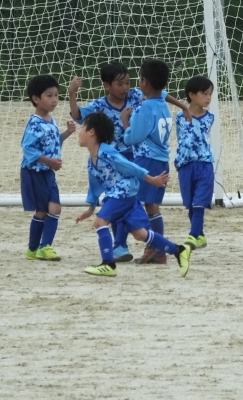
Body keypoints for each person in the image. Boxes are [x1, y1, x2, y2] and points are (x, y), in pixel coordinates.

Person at [68, 62, 190, 263]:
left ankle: (135, 245)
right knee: (123, 201)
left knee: (125, 202)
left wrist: (183, 106)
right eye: (120, 84)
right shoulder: (99, 105)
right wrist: (72, 94)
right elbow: (79, 116)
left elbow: (161, 93)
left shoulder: (137, 95)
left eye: (128, 82)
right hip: (114, 161)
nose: (125, 87)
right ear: (107, 86)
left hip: (136, 157)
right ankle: (126, 246)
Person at [75, 112, 191, 277]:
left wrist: (151, 179)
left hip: (122, 193)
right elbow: (94, 186)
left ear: (91, 132)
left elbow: (131, 167)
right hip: (125, 196)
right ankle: (178, 250)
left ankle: (108, 264)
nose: (79, 132)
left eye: (81, 128)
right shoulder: (91, 161)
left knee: (100, 222)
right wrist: (90, 208)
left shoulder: (107, 153)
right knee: (140, 234)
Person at [122, 59, 176, 264]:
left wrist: (125, 121)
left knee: (132, 203)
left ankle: (151, 245)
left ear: (144, 81)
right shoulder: (163, 105)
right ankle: (157, 250)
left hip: (147, 160)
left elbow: (132, 138)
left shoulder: (145, 108)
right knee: (152, 206)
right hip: (161, 161)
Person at [20, 74, 76, 261]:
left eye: (56, 95)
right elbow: (28, 148)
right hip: (34, 172)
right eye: (49, 96)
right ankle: (34, 249)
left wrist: (67, 133)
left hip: (47, 172)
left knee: (55, 209)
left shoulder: (51, 120)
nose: (54, 100)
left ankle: (44, 247)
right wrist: (49, 161)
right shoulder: (35, 123)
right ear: (36, 99)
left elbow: (53, 142)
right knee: (43, 211)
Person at [174, 75, 215, 250]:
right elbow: (180, 138)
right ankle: (200, 235)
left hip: (204, 164)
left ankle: (192, 236)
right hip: (185, 165)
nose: (208, 98)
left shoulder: (209, 117)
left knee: (199, 203)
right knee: (191, 204)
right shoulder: (179, 117)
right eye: (204, 93)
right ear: (191, 95)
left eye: (210, 94)